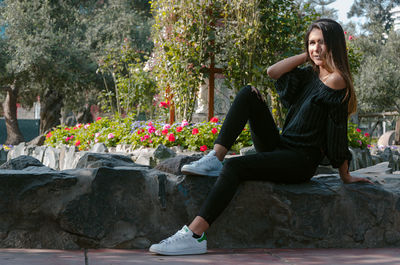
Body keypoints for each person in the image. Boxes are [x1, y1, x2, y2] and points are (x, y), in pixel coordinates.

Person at [149, 18, 372, 256]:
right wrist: (307, 56)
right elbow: (272, 72)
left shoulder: (337, 81)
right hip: (282, 146)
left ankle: (195, 235)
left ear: (335, 44)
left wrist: (345, 174)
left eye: (322, 43)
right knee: (249, 93)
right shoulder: (310, 75)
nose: (316, 48)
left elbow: (336, 131)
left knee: (235, 168)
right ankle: (216, 156)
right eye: (311, 43)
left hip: (300, 161)